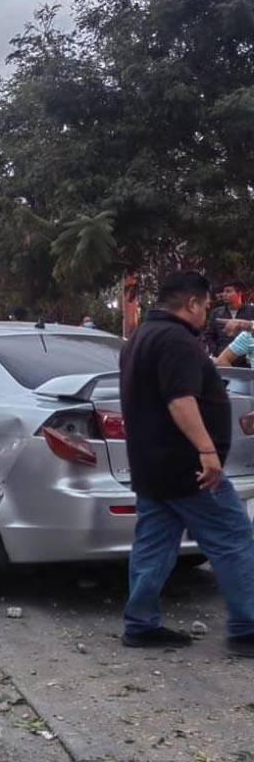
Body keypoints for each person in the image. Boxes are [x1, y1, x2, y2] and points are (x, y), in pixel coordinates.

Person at [119, 271, 254, 656]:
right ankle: (248, 628)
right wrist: (208, 453)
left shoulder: (140, 338)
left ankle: (141, 625)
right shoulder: (176, 340)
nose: (205, 314)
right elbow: (180, 401)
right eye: (205, 306)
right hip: (188, 468)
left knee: (154, 543)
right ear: (191, 303)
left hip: (152, 464)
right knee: (233, 538)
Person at [206, 280, 254, 357]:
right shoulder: (216, 313)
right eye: (223, 291)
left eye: (228, 291)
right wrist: (216, 351)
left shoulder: (251, 311)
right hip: (222, 358)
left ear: (239, 293)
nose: (224, 294)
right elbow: (209, 336)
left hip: (245, 360)